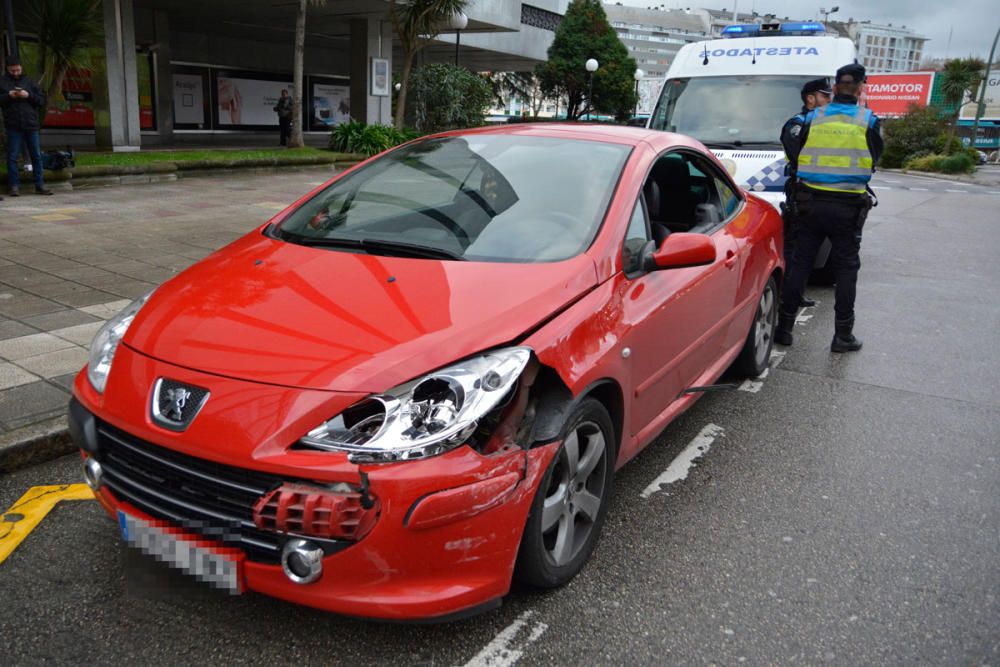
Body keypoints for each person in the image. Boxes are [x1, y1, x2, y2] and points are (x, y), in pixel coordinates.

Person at [775, 63, 882, 353]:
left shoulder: (812, 118)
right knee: (846, 269)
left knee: (800, 264)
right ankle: (842, 335)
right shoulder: (869, 121)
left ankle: (784, 328)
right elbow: (875, 157)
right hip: (847, 207)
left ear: (835, 88)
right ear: (860, 89)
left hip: (809, 203)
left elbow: (795, 153)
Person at [779, 77, 832, 308]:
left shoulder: (826, 125)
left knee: (807, 250)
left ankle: (796, 293)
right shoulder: (797, 124)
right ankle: (787, 295)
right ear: (811, 98)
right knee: (795, 246)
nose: (829, 100)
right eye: (824, 95)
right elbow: (799, 157)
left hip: (821, 193)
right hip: (802, 193)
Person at [0, 57, 53, 196]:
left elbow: (40, 100)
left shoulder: (29, 82)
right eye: (12, 70)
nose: (15, 72)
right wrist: (9, 95)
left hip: (31, 124)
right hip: (13, 125)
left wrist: (28, 95)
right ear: (8, 69)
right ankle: (14, 186)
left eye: (17, 70)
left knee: (36, 155)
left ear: (21, 68)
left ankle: (40, 185)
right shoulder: (3, 82)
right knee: (12, 156)